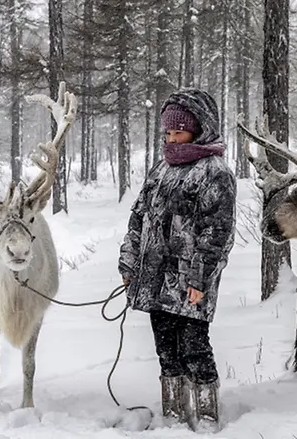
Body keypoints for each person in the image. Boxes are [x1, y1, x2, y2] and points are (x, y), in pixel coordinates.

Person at [118, 89, 236, 431]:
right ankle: (174, 414)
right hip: (155, 279)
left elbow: (216, 234)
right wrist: (129, 264)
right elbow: (138, 217)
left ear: (200, 130)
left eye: (179, 132)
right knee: (166, 349)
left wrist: (200, 280)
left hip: (189, 284)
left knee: (194, 349)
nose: (172, 139)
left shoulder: (215, 173)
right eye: (167, 133)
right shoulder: (161, 170)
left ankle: (208, 416)